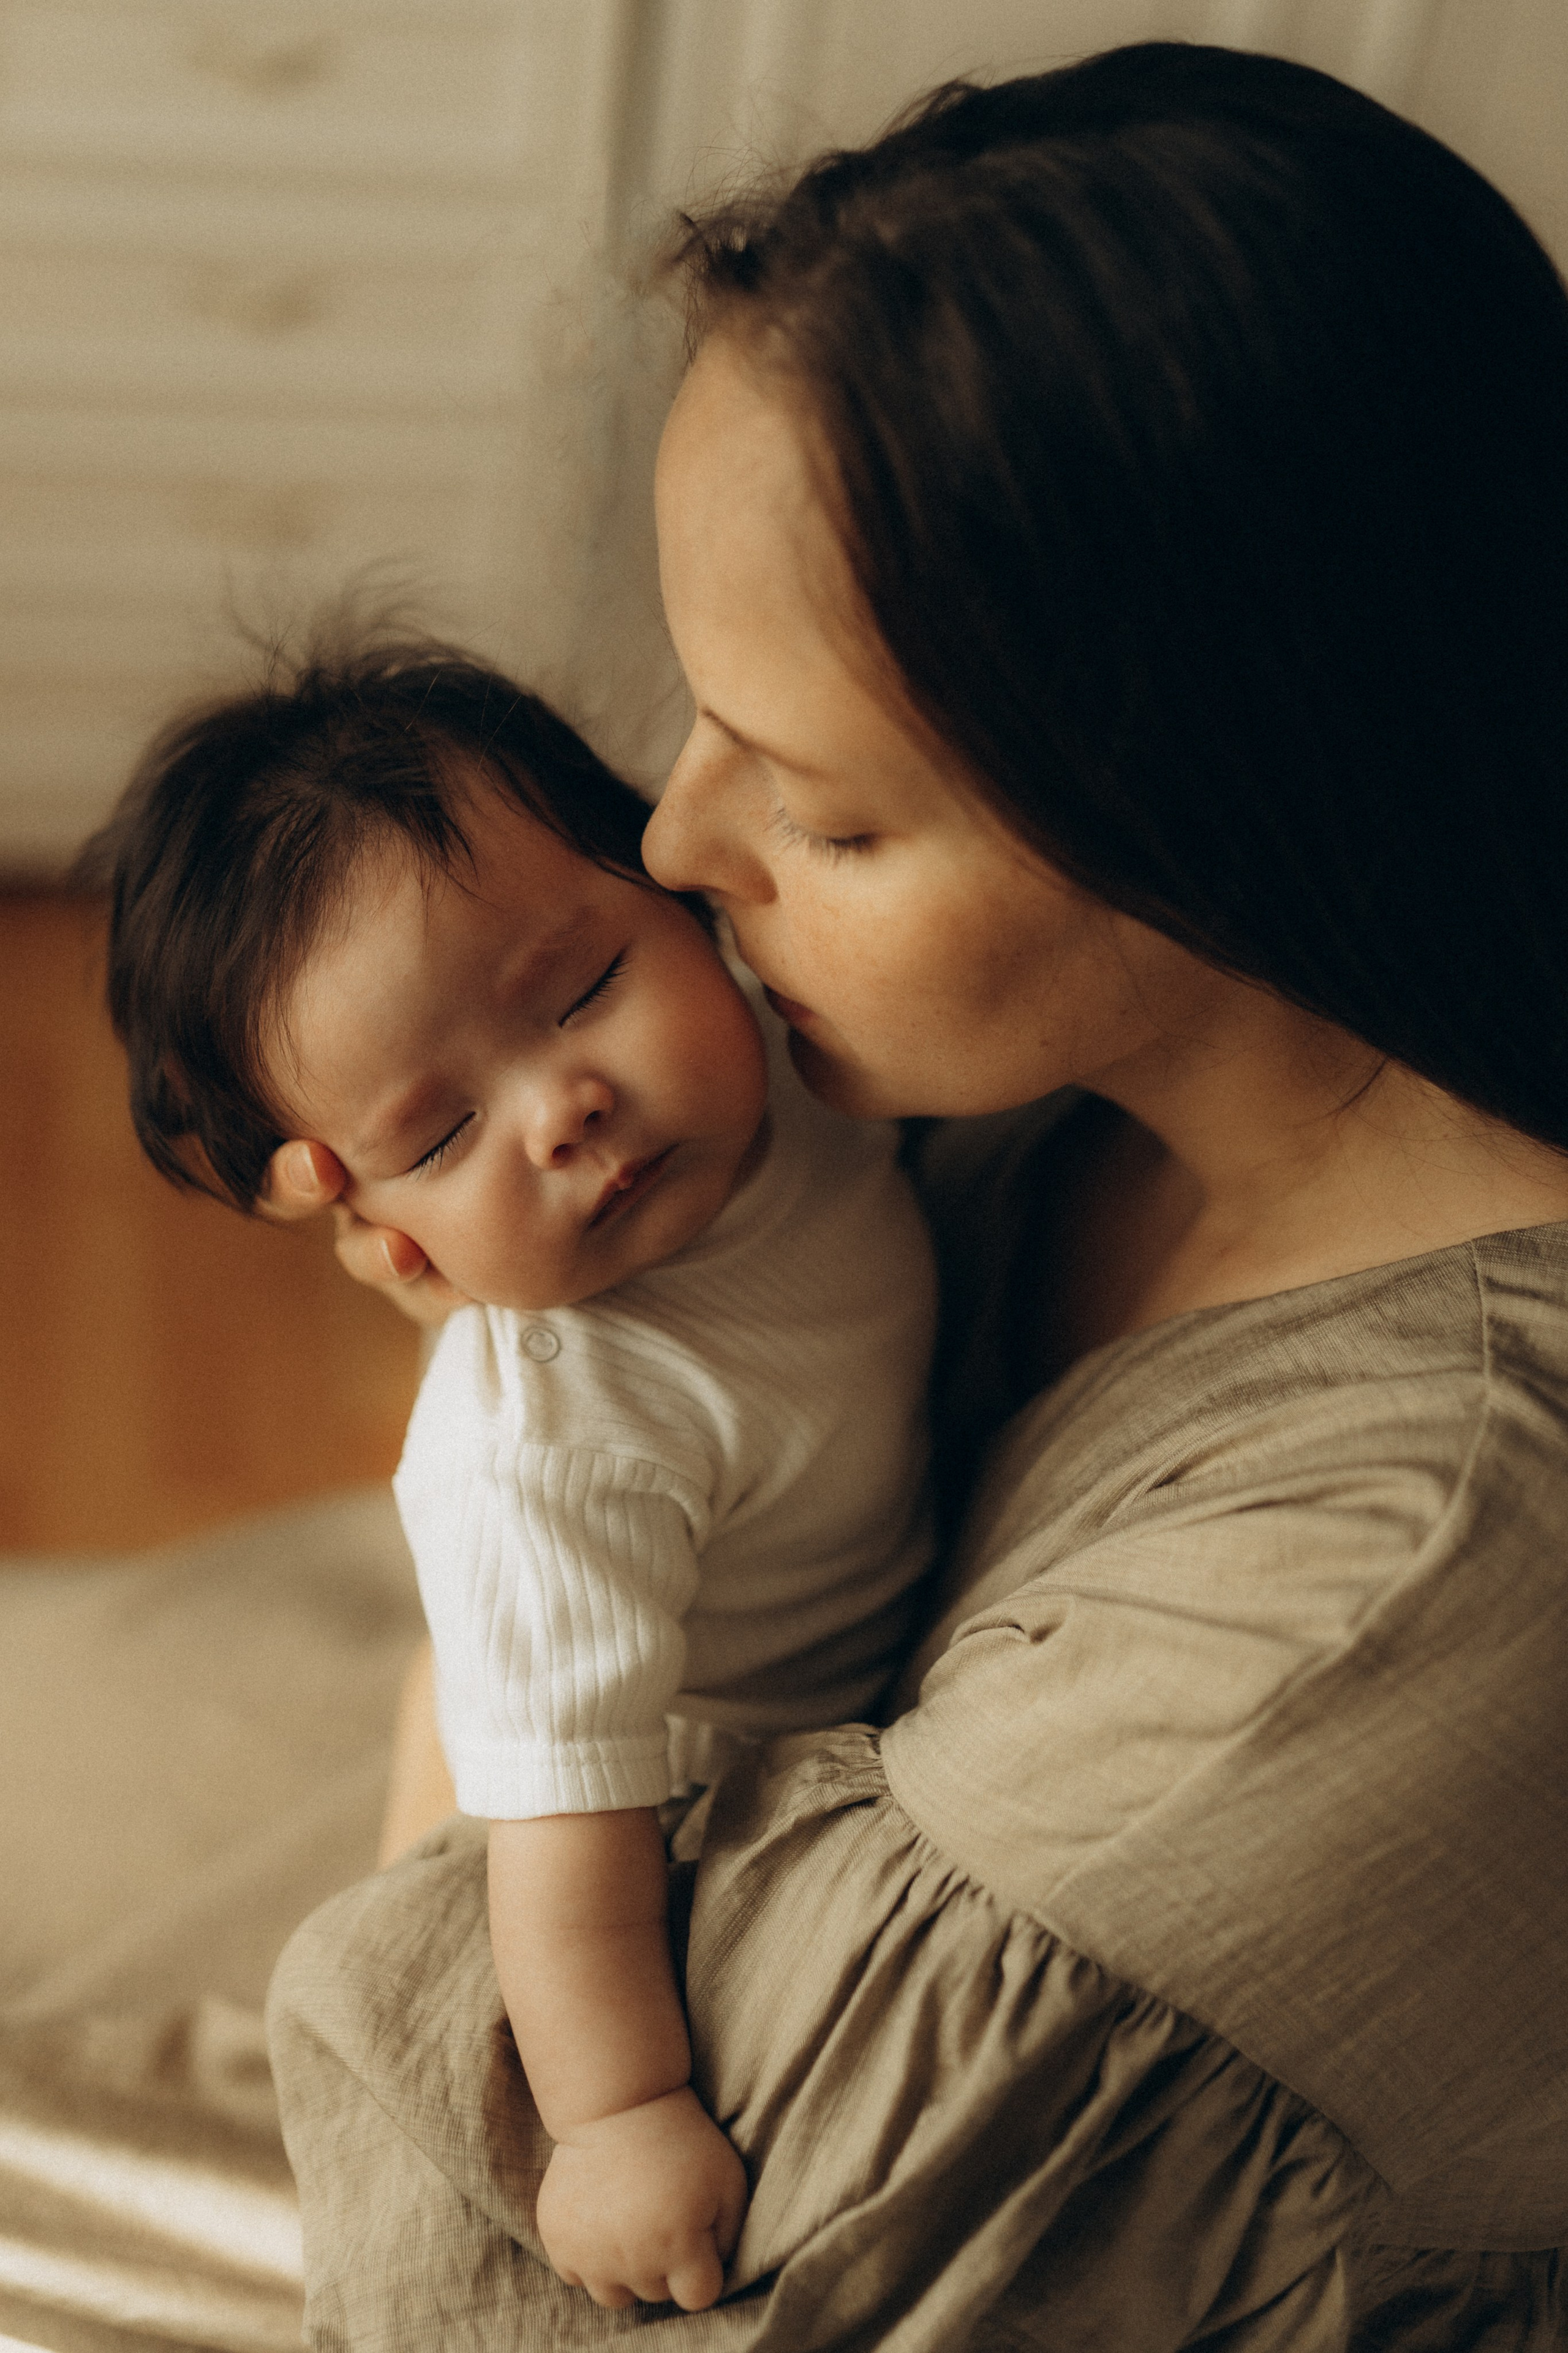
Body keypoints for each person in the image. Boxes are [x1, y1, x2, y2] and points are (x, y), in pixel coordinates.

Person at [262, 40, 1568, 2351]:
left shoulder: (1351, 1618)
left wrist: (520, 1480)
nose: (673, 843)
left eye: (830, 815)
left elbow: (566, 2254)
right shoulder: (1052, 1077)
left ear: (1219, 821)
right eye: (696, 713)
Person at [85, 646, 935, 2312]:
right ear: (374, 1213)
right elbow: (563, 1841)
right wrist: (617, 2117)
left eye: (577, 988)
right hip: (667, 1813)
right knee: (420, 2096)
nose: (565, 1107)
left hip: (801, 1626)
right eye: (440, 1131)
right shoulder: (557, 1434)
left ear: (674, 892)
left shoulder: (789, 1047)